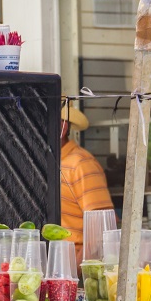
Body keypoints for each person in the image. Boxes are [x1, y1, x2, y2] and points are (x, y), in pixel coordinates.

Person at [59, 100, 115, 264]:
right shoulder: (46, 163)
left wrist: (75, 273)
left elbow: (100, 229)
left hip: (72, 270)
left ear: (62, 128)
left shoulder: (81, 164)